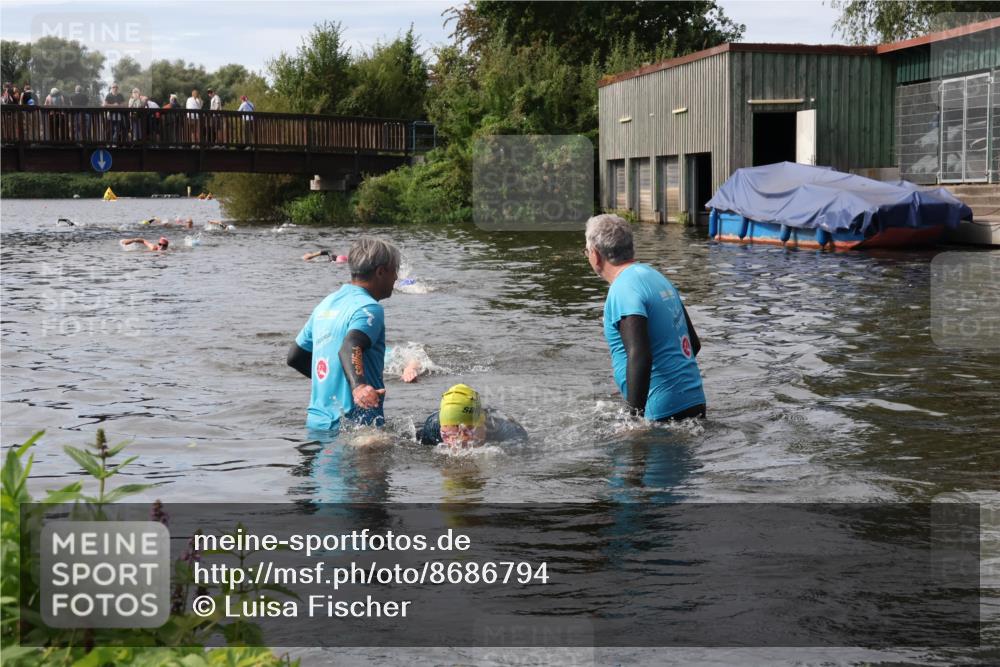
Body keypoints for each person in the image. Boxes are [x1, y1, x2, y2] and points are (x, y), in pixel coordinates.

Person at [584, 213, 706, 421]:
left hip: (661, 411)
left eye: (586, 251)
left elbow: (639, 354)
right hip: (694, 401)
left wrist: (633, 420)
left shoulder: (623, 289)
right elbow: (693, 344)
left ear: (595, 254)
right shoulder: (657, 277)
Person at [286, 236, 401, 431]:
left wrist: (335, 383)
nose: (396, 278)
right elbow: (351, 345)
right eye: (394, 271)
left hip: (317, 424)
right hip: (354, 427)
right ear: (381, 271)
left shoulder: (326, 304)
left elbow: (295, 357)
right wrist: (358, 387)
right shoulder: (369, 308)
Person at [416, 384, 527, 448]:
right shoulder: (432, 426)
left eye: (467, 431)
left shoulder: (509, 431)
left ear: (482, 425)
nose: (458, 441)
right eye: (447, 435)